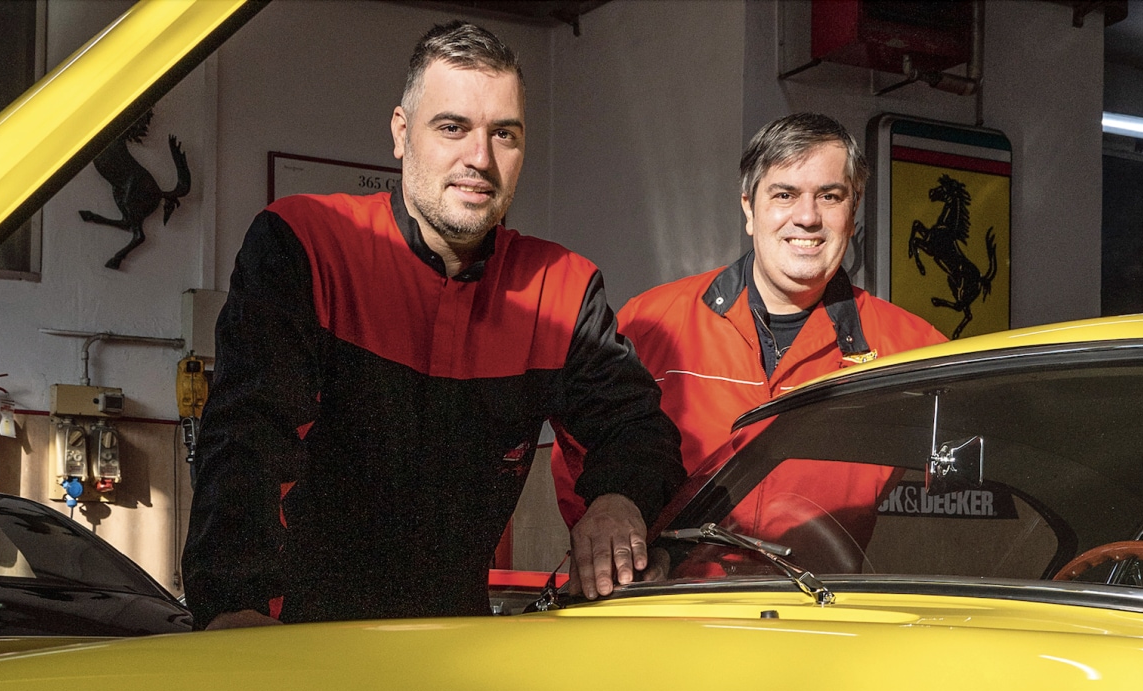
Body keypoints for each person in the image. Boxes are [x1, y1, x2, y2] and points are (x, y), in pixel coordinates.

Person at [183, 21, 683, 628]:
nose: (481, 158)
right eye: (452, 128)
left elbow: (635, 427)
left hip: (456, 641)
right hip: (294, 638)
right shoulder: (306, 244)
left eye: (504, 134)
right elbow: (246, 439)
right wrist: (232, 606)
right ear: (401, 133)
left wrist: (618, 499)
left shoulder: (562, 288)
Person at [553, 113, 944, 556]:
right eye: (784, 194)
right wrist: (619, 558)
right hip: (665, 595)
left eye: (830, 196)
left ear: (852, 213)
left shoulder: (913, 351)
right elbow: (577, 458)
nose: (807, 217)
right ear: (749, 209)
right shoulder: (651, 324)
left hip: (816, 598)